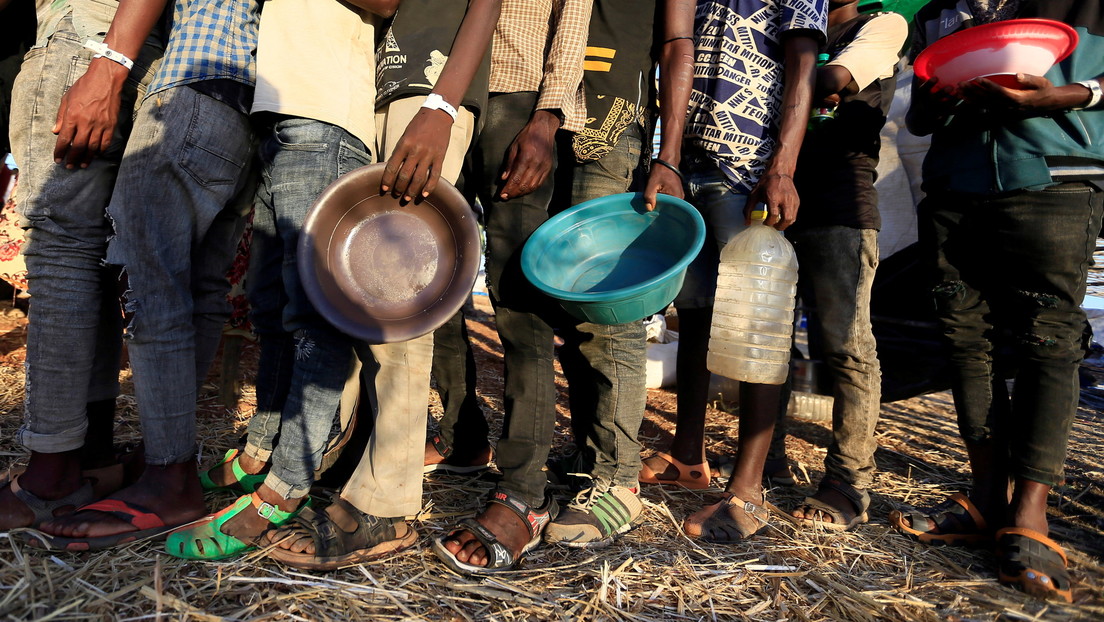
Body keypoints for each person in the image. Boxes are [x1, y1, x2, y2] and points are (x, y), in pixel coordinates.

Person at [164, 0, 498, 569]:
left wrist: (441, 104)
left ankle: (385, 504)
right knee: (345, 300)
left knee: (394, 304)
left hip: (428, 93)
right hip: (383, 92)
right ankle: (324, 467)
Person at [888, 0, 1104, 603]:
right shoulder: (936, 12)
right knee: (965, 342)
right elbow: (920, 121)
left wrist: (1073, 95)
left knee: (1049, 341)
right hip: (955, 189)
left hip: (1053, 180)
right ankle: (986, 496)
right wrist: (930, 106)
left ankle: (1029, 513)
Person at [28, 0, 262, 550]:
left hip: (194, 75)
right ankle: (159, 463)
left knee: (146, 277)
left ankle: (167, 477)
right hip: (253, 98)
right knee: (193, 283)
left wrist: (111, 61)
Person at [639, 0, 826, 542]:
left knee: (757, 322)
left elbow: (802, 66)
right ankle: (688, 456)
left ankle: (748, 487)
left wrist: (784, 167)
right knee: (695, 314)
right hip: (690, 165)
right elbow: (676, 54)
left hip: (748, 167)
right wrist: (667, 157)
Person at [431, 0, 592, 574]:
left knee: (518, 304)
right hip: (440, 90)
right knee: (433, 283)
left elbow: (573, 19)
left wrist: (547, 119)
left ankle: (525, 490)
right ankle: (463, 437)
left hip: (516, 99)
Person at [0, 0, 166, 533]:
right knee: (93, 265)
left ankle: (50, 475)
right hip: (131, 53)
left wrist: (110, 61)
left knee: (63, 256)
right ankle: (87, 452)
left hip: (86, 46)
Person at [541, 0, 696, 549]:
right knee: (567, 306)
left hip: (610, 128)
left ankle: (620, 484)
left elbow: (678, 44)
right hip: (543, 117)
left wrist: (668, 155)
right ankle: (590, 455)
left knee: (609, 310)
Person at [768, 0, 907, 530]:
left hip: (840, 207)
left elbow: (834, 76)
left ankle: (849, 480)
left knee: (847, 345)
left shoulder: (883, 24)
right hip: (776, 201)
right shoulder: (787, 21)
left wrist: (791, 77)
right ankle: (769, 459)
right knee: (769, 341)